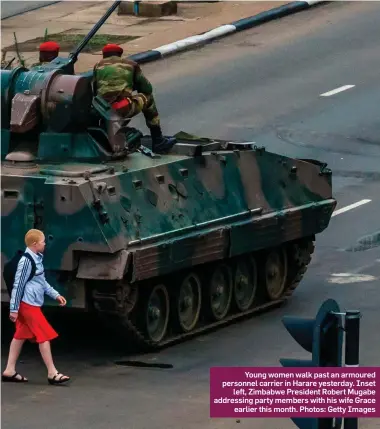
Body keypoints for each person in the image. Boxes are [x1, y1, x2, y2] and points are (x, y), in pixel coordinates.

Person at [2, 229, 70, 385]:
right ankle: (52, 373)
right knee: (44, 335)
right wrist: (13, 309)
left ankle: (9, 370)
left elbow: (41, 282)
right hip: (28, 305)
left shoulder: (37, 258)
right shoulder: (26, 261)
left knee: (20, 335)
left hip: (31, 303)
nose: (45, 243)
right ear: (35, 244)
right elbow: (18, 285)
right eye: (43, 241)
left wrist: (55, 295)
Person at [93, 43, 176, 154]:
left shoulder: (97, 66)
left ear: (104, 55)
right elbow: (147, 88)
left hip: (103, 110)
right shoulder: (131, 64)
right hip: (122, 108)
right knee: (148, 98)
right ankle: (158, 140)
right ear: (120, 54)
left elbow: (95, 91)